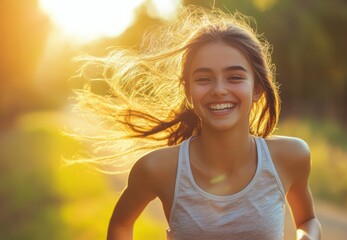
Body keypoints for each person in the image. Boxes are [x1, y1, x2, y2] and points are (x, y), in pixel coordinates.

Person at [74, 6, 321, 240]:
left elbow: (307, 220)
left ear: (256, 88)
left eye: (234, 77)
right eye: (204, 79)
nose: (219, 90)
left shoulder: (291, 156)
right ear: (188, 91)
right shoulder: (156, 169)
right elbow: (121, 224)